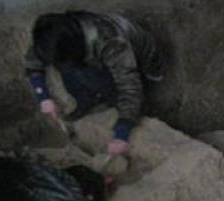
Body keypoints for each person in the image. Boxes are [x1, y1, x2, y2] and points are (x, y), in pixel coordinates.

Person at [24, 11, 163, 156]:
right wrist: (44, 98)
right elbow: (34, 61)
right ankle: (88, 99)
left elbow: (130, 88)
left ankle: (116, 101)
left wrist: (122, 133)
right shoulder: (53, 38)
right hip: (94, 56)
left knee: (84, 76)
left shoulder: (110, 41)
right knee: (68, 68)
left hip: (140, 62)